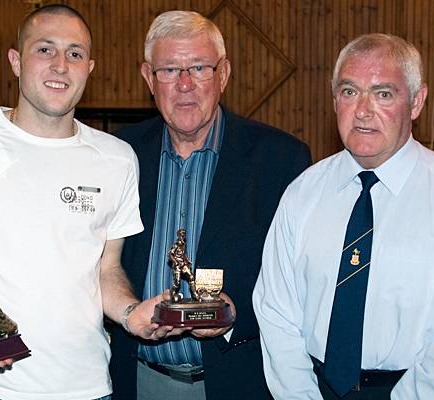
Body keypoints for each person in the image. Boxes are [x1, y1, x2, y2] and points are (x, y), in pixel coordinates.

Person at [0, 4, 176, 400]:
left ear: (89, 68)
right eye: (45, 50)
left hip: (88, 388)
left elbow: (106, 269)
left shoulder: (116, 158)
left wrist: (132, 314)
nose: (61, 65)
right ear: (16, 61)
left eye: (75, 53)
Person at [253, 33, 434, 399]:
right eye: (349, 91)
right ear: (334, 101)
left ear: (417, 102)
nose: (362, 110)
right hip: (312, 389)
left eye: (383, 93)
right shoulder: (303, 193)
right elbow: (275, 310)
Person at [108, 10, 312, 400]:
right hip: (136, 380)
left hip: (237, 380)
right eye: (169, 70)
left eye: (199, 67)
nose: (184, 84)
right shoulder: (119, 154)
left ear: (224, 74)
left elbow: (300, 282)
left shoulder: (280, 160)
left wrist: (236, 317)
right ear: (148, 78)